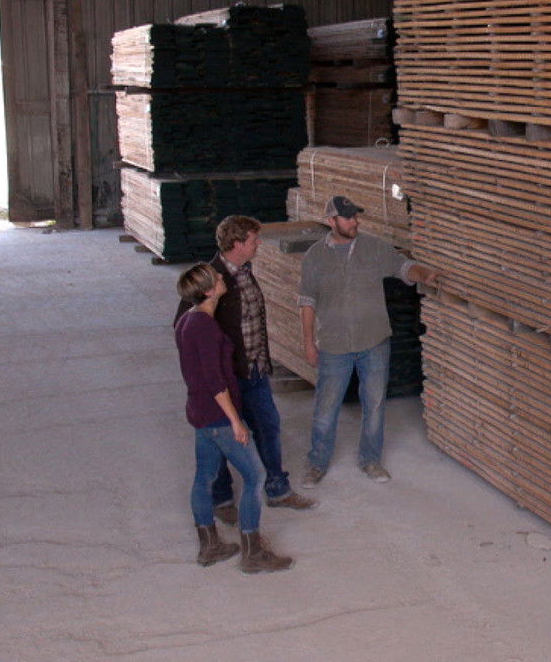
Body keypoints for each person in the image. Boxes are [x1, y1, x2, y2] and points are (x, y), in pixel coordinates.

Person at [174, 216, 316, 526]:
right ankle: (222, 498)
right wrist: (214, 362)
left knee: (268, 427)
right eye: (254, 240)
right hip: (229, 377)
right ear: (237, 244)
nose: (258, 244)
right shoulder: (210, 279)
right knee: (222, 438)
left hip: (255, 369)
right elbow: (183, 325)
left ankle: (277, 489)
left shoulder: (246, 271)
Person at [298, 195, 440, 487]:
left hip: (374, 341)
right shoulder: (315, 256)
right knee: (326, 408)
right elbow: (307, 301)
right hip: (334, 345)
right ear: (331, 221)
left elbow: (402, 267)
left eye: (355, 217)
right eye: (348, 218)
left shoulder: (374, 248)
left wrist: (423, 273)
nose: (355, 222)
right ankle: (317, 463)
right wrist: (309, 342)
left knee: (374, 405)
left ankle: (371, 460)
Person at [174, 263, 293, 574]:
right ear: (209, 291)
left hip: (199, 412)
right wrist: (235, 422)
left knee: (205, 477)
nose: (221, 276)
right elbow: (215, 382)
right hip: (218, 418)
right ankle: (253, 553)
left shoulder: (186, 320)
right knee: (255, 476)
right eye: (216, 278)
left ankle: (209, 546)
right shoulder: (206, 327)